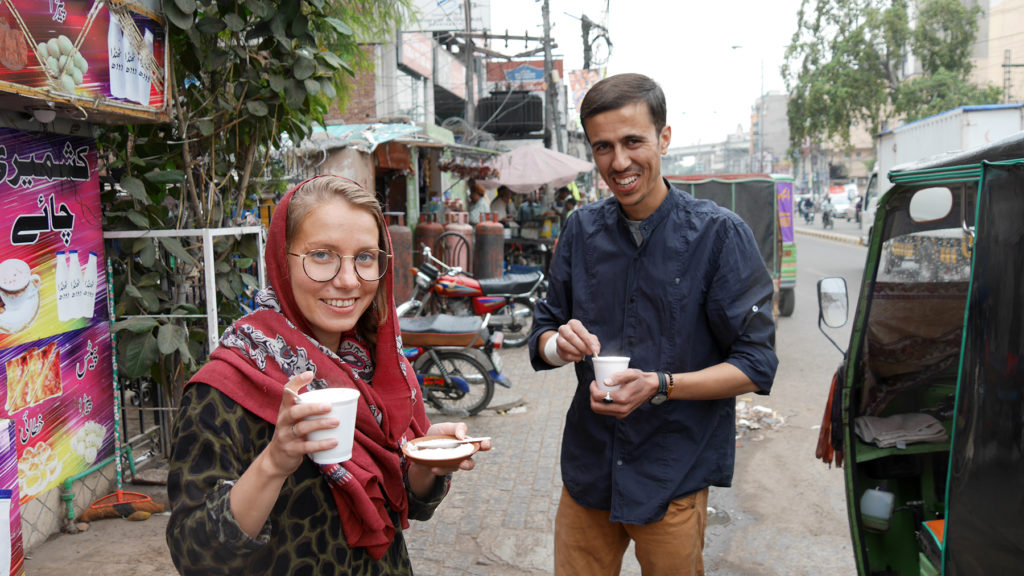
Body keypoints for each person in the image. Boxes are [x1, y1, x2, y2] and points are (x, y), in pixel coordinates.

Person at [166, 175, 491, 575]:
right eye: (322, 255)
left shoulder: (382, 368)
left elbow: (407, 503)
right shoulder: (226, 386)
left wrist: (425, 464)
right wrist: (274, 462)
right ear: (281, 260)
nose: (349, 280)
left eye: (366, 257)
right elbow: (195, 556)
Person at [528, 73, 777, 575]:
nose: (619, 162)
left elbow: (757, 365)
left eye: (632, 141)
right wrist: (561, 344)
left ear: (664, 138)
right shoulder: (580, 230)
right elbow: (541, 336)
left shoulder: (720, 235)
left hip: (673, 473)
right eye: (603, 147)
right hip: (589, 472)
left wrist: (660, 385)